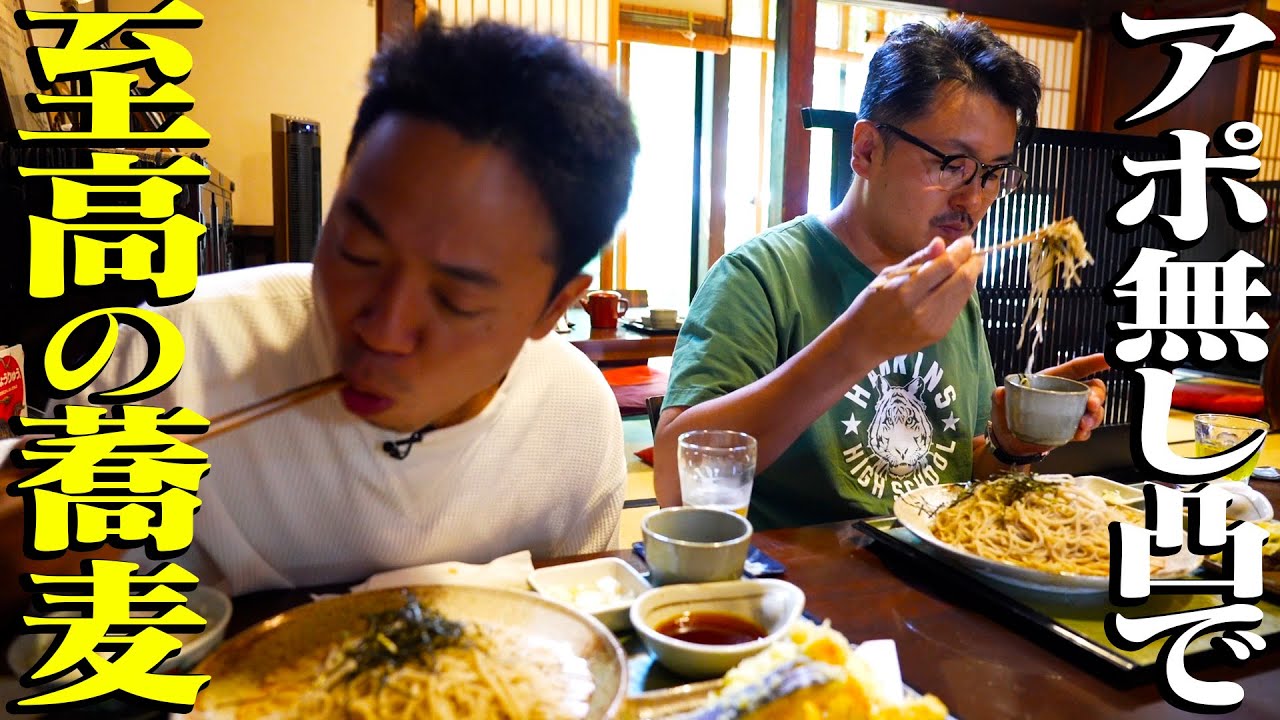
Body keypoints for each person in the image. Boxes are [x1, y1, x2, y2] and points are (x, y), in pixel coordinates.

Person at [0, 15, 639, 611]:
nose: (382, 329)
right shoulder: (157, 358)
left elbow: (571, 648)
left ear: (553, 306)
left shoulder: (573, 422)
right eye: (357, 250)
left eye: (456, 299)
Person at [654, 18, 1107, 530]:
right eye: (953, 164)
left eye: (993, 173)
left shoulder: (947, 286)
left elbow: (955, 472)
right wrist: (857, 344)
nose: (974, 198)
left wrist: (1009, 445)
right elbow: (674, 481)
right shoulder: (761, 276)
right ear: (867, 149)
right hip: (804, 589)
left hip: (930, 585)